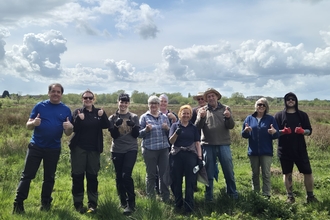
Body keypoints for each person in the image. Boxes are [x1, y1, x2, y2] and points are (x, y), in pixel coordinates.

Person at [12, 83, 73, 214]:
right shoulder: (40, 106)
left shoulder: (66, 110)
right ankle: (18, 204)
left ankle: (45, 204)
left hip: (53, 148)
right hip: (36, 147)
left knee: (49, 177)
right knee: (27, 175)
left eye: (58, 92)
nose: (55, 94)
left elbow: (68, 133)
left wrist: (70, 128)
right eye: (53, 91)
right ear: (49, 93)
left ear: (61, 94)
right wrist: (33, 123)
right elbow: (28, 125)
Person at [69, 90, 109, 214]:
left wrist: (103, 116)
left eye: (90, 98)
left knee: (92, 176)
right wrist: (78, 119)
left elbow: (106, 125)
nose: (88, 100)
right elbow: (73, 128)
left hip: (94, 149)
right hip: (79, 148)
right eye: (85, 98)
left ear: (93, 99)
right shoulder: (77, 112)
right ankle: (78, 204)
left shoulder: (99, 112)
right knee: (77, 176)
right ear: (82, 99)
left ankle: (92, 204)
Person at [274, 92, 318, 204]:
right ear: (285, 101)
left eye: (293, 99)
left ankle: (310, 196)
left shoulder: (302, 115)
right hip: (284, 149)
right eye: (288, 99)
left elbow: (309, 131)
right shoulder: (279, 116)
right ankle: (290, 197)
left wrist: (303, 131)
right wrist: (282, 132)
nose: (290, 100)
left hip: (300, 149)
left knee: (308, 172)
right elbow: (273, 133)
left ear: (296, 101)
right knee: (287, 173)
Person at [195, 88, 238, 201]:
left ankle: (232, 194)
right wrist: (201, 117)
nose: (211, 98)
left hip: (224, 144)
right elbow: (197, 127)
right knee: (209, 172)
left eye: (213, 96)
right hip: (208, 145)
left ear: (217, 97)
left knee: (228, 170)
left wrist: (228, 117)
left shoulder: (225, 108)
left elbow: (231, 126)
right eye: (208, 97)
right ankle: (209, 197)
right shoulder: (202, 110)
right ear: (206, 99)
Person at [242, 98, 279, 198]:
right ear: (256, 106)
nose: (261, 106)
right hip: (253, 151)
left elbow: (276, 135)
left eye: (263, 105)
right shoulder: (249, 118)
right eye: (259, 104)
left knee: (266, 174)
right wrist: (245, 131)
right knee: (255, 174)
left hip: (266, 151)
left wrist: (274, 132)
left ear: (266, 107)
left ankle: (266, 195)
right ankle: (256, 194)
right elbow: (244, 135)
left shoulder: (270, 119)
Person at [108, 93, 139, 215]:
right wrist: (116, 126)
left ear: (129, 104)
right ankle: (122, 201)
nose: (123, 104)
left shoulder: (134, 116)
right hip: (117, 149)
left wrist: (134, 126)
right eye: (122, 102)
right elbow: (114, 136)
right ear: (118, 102)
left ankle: (131, 203)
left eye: (126, 102)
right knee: (119, 176)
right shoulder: (112, 118)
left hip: (131, 149)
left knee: (126, 175)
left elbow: (136, 135)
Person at [169, 105, 203, 213]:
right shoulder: (174, 126)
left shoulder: (193, 128)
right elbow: (171, 141)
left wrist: (200, 158)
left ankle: (189, 206)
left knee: (190, 181)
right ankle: (178, 203)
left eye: (188, 113)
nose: (186, 115)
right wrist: (176, 133)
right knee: (176, 181)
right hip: (177, 155)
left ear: (190, 115)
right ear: (180, 114)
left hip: (190, 155)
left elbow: (197, 143)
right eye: (184, 113)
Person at [139, 95, 170, 202]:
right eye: (151, 103)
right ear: (148, 105)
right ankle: (151, 198)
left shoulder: (164, 117)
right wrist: (146, 130)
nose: (154, 105)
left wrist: (167, 129)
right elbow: (138, 134)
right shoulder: (144, 117)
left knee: (164, 174)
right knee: (151, 174)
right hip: (149, 150)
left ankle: (165, 197)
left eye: (156, 103)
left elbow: (169, 134)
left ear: (159, 105)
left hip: (163, 150)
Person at [190, 92, 207, 192]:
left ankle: (207, 186)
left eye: (202, 99)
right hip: (196, 141)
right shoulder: (193, 111)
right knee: (195, 163)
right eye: (199, 99)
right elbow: (191, 126)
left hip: (209, 141)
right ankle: (194, 185)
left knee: (207, 164)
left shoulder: (210, 110)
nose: (200, 101)